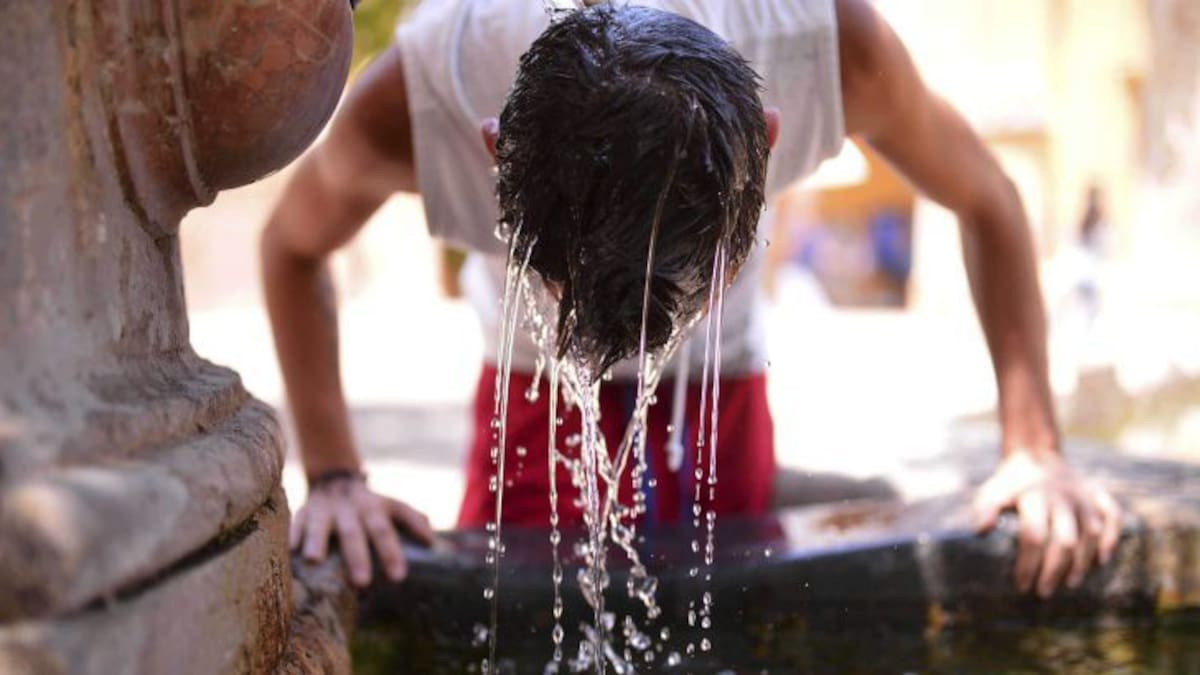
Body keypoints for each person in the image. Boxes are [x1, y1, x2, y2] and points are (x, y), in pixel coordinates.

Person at [261, 0, 1122, 600]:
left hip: (724, 391)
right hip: (539, 393)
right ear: (495, 154)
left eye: (700, 280)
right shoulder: (424, 94)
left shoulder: (828, 46)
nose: (648, 335)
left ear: (770, 141)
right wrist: (336, 473)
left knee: (741, 616)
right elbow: (291, 248)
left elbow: (990, 200)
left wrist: (1034, 445)